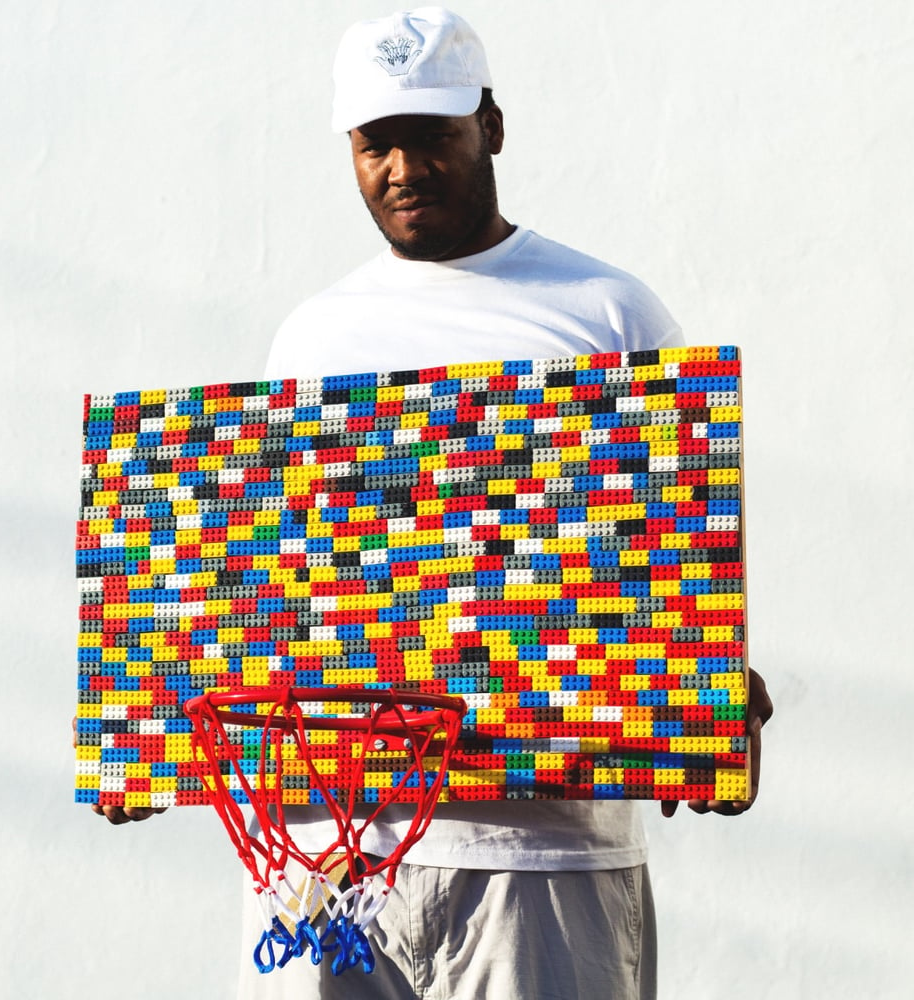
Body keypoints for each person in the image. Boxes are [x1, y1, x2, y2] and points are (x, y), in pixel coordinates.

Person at [92, 9, 774, 999]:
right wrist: (148, 723)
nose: (404, 167)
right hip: (321, 859)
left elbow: (679, 552)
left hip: (534, 861)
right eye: (376, 143)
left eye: (432, 134)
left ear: (490, 126)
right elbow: (262, 590)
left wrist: (708, 689)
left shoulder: (605, 314)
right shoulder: (312, 340)